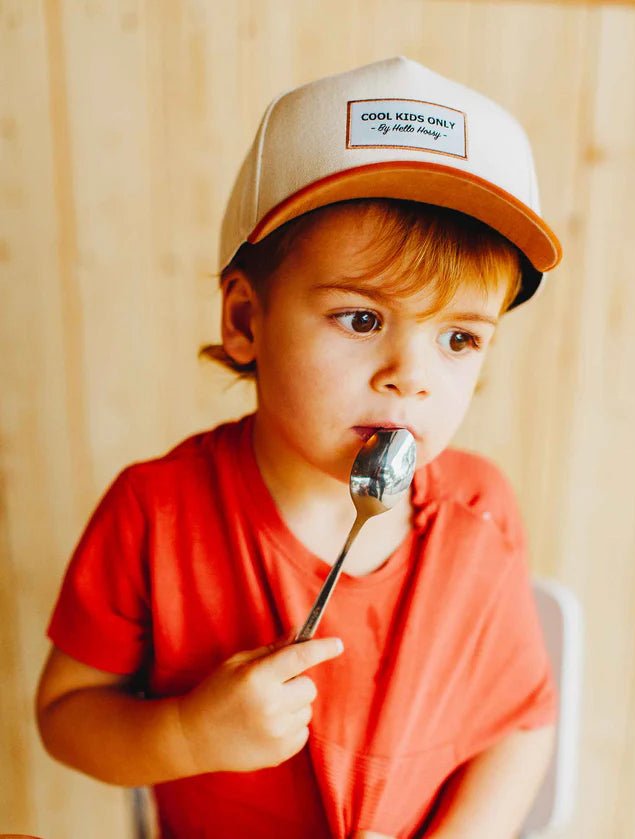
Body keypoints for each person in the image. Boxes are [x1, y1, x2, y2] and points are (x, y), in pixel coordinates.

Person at [35, 57, 563, 839]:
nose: (409, 377)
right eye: (360, 319)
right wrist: (186, 733)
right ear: (247, 321)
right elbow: (66, 715)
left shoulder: (478, 512)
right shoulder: (156, 513)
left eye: (457, 337)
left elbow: (518, 726)